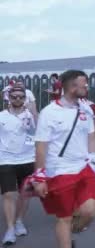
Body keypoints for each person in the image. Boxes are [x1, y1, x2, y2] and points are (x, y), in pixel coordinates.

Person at [30, 70, 95, 248]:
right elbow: (41, 148)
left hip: (83, 168)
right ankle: (65, 237)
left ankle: (69, 231)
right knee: (63, 218)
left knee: (90, 212)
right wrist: (39, 177)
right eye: (84, 84)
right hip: (59, 172)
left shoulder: (86, 109)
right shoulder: (49, 112)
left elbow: (91, 139)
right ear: (72, 87)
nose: (87, 87)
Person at [0, 87, 36, 245]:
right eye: (14, 97)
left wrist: (32, 114)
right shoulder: (1, 116)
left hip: (27, 159)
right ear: (8, 98)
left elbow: (37, 133)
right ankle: (9, 228)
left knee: (25, 193)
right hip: (6, 159)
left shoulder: (30, 116)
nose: (18, 100)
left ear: (25, 99)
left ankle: (19, 220)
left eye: (21, 97)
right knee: (8, 194)